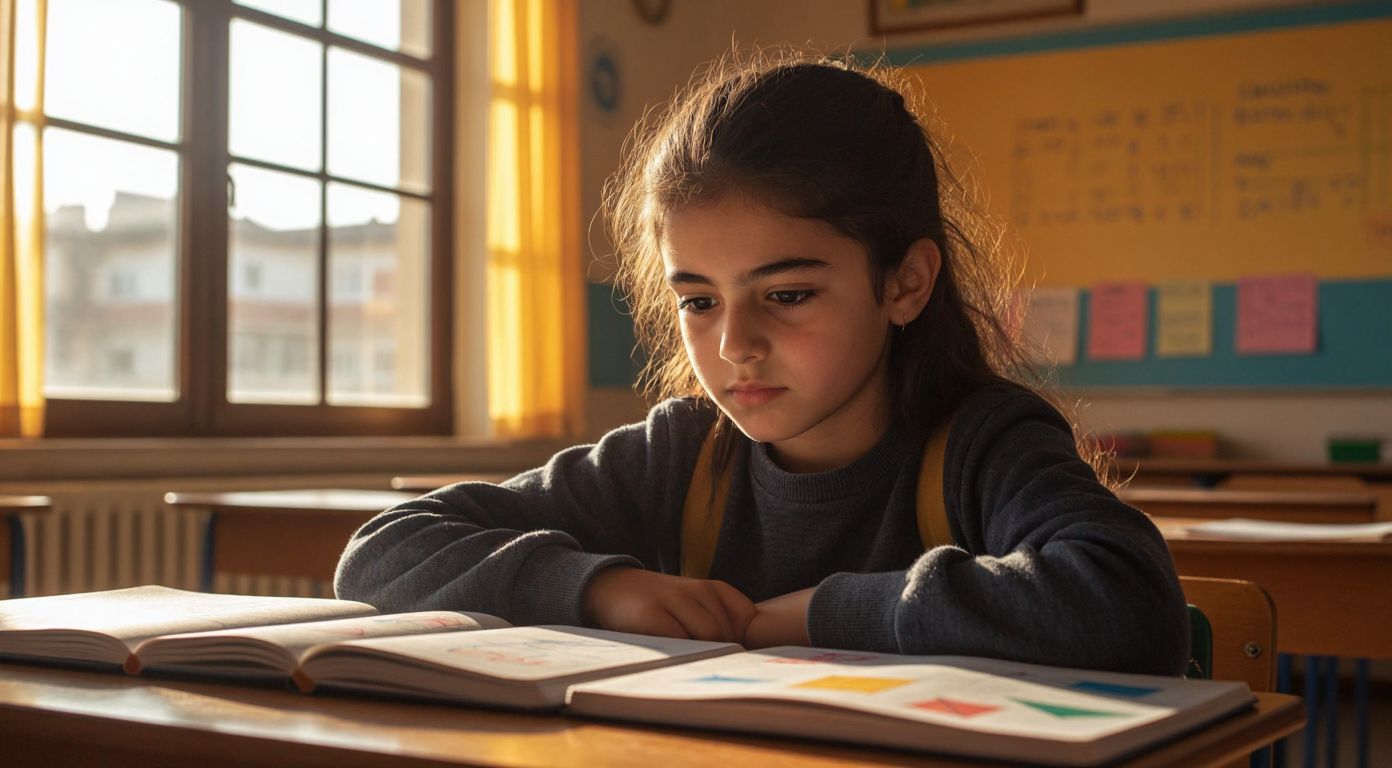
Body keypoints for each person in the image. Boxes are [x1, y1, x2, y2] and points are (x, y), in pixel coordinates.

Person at [335, 49, 1189, 675]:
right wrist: (601, 590)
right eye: (699, 300)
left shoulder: (980, 445)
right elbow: (382, 552)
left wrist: (823, 613)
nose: (733, 343)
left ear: (905, 282)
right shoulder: (683, 453)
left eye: (786, 295)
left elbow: (1131, 605)